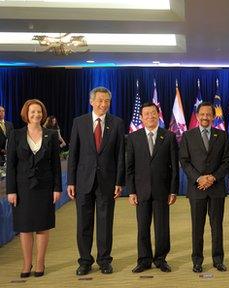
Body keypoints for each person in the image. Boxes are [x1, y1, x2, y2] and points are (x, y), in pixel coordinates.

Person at [67, 86, 125, 275]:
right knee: (83, 223)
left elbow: (120, 156)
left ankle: (104, 260)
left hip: (107, 182)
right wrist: (70, 182)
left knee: (105, 223)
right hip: (83, 181)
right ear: (91, 101)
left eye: (107, 101)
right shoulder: (79, 122)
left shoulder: (117, 123)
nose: (103, 104)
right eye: (100, 100)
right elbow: (73, 154)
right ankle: (84, 261)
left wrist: (119, 181)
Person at [6, 99, 62, 278]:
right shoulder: (15, 134)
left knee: (42, 226)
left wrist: (56, 188)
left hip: (45, 188)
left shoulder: (51, 135)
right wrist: (11, 190)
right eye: (32, 112)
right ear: (26, 114)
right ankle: (26, 262)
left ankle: (39, 262)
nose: (36, 115)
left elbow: (56, 165)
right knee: (25, 227)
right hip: (22, 189)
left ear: (42, 114)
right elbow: (11, 166)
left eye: (39, 112)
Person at [126, 102, 179, 273]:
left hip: (162, 191)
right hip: (141, 191)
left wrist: (173, 190)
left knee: (162, 227)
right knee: (143, 227)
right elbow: (130, 167)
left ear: (158, 115)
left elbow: (174, 167)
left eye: (153, 113)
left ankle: (161, 259)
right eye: (146, 114)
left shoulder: (169, 136)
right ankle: (144, 260)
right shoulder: (133, 138)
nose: (150, 116)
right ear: (141, 117)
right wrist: (131, 191)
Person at [179, 102, 229, 273]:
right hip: (197, 189)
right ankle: (197, 261)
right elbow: (184, 161)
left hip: (216, 188)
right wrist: (199, 178)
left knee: (217, 226)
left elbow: (226, 161)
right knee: (197, 227)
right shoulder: (188, 135)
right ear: (197, 115)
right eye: (202, 114)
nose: (205, 117)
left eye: (209, 114)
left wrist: (213, 177)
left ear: (214, 116)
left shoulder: (222, 136)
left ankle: (218, 260)